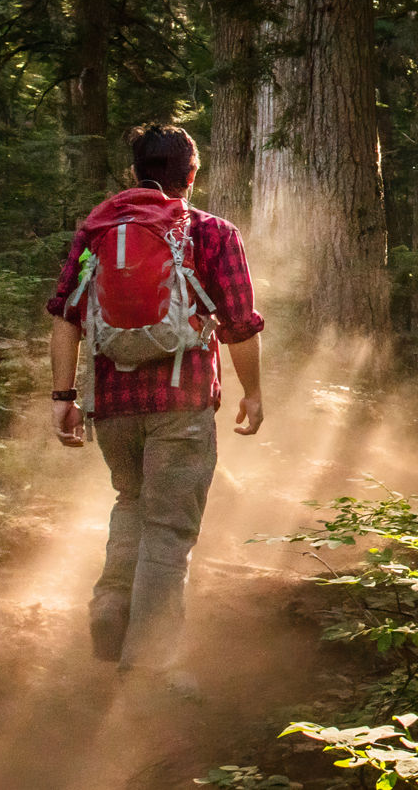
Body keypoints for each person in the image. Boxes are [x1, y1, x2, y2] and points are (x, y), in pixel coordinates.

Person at [44, 125, 266, 680]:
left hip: (113, 404)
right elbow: (240, 322)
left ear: (136, 172)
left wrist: (63, 397)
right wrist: (253, 393)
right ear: (191, 175)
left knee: (132, 504)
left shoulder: (96, 231)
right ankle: (147, 667)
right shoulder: (212, 232)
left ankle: (112, 609)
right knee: (169, 529)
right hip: (182, 402)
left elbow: (65, 316)